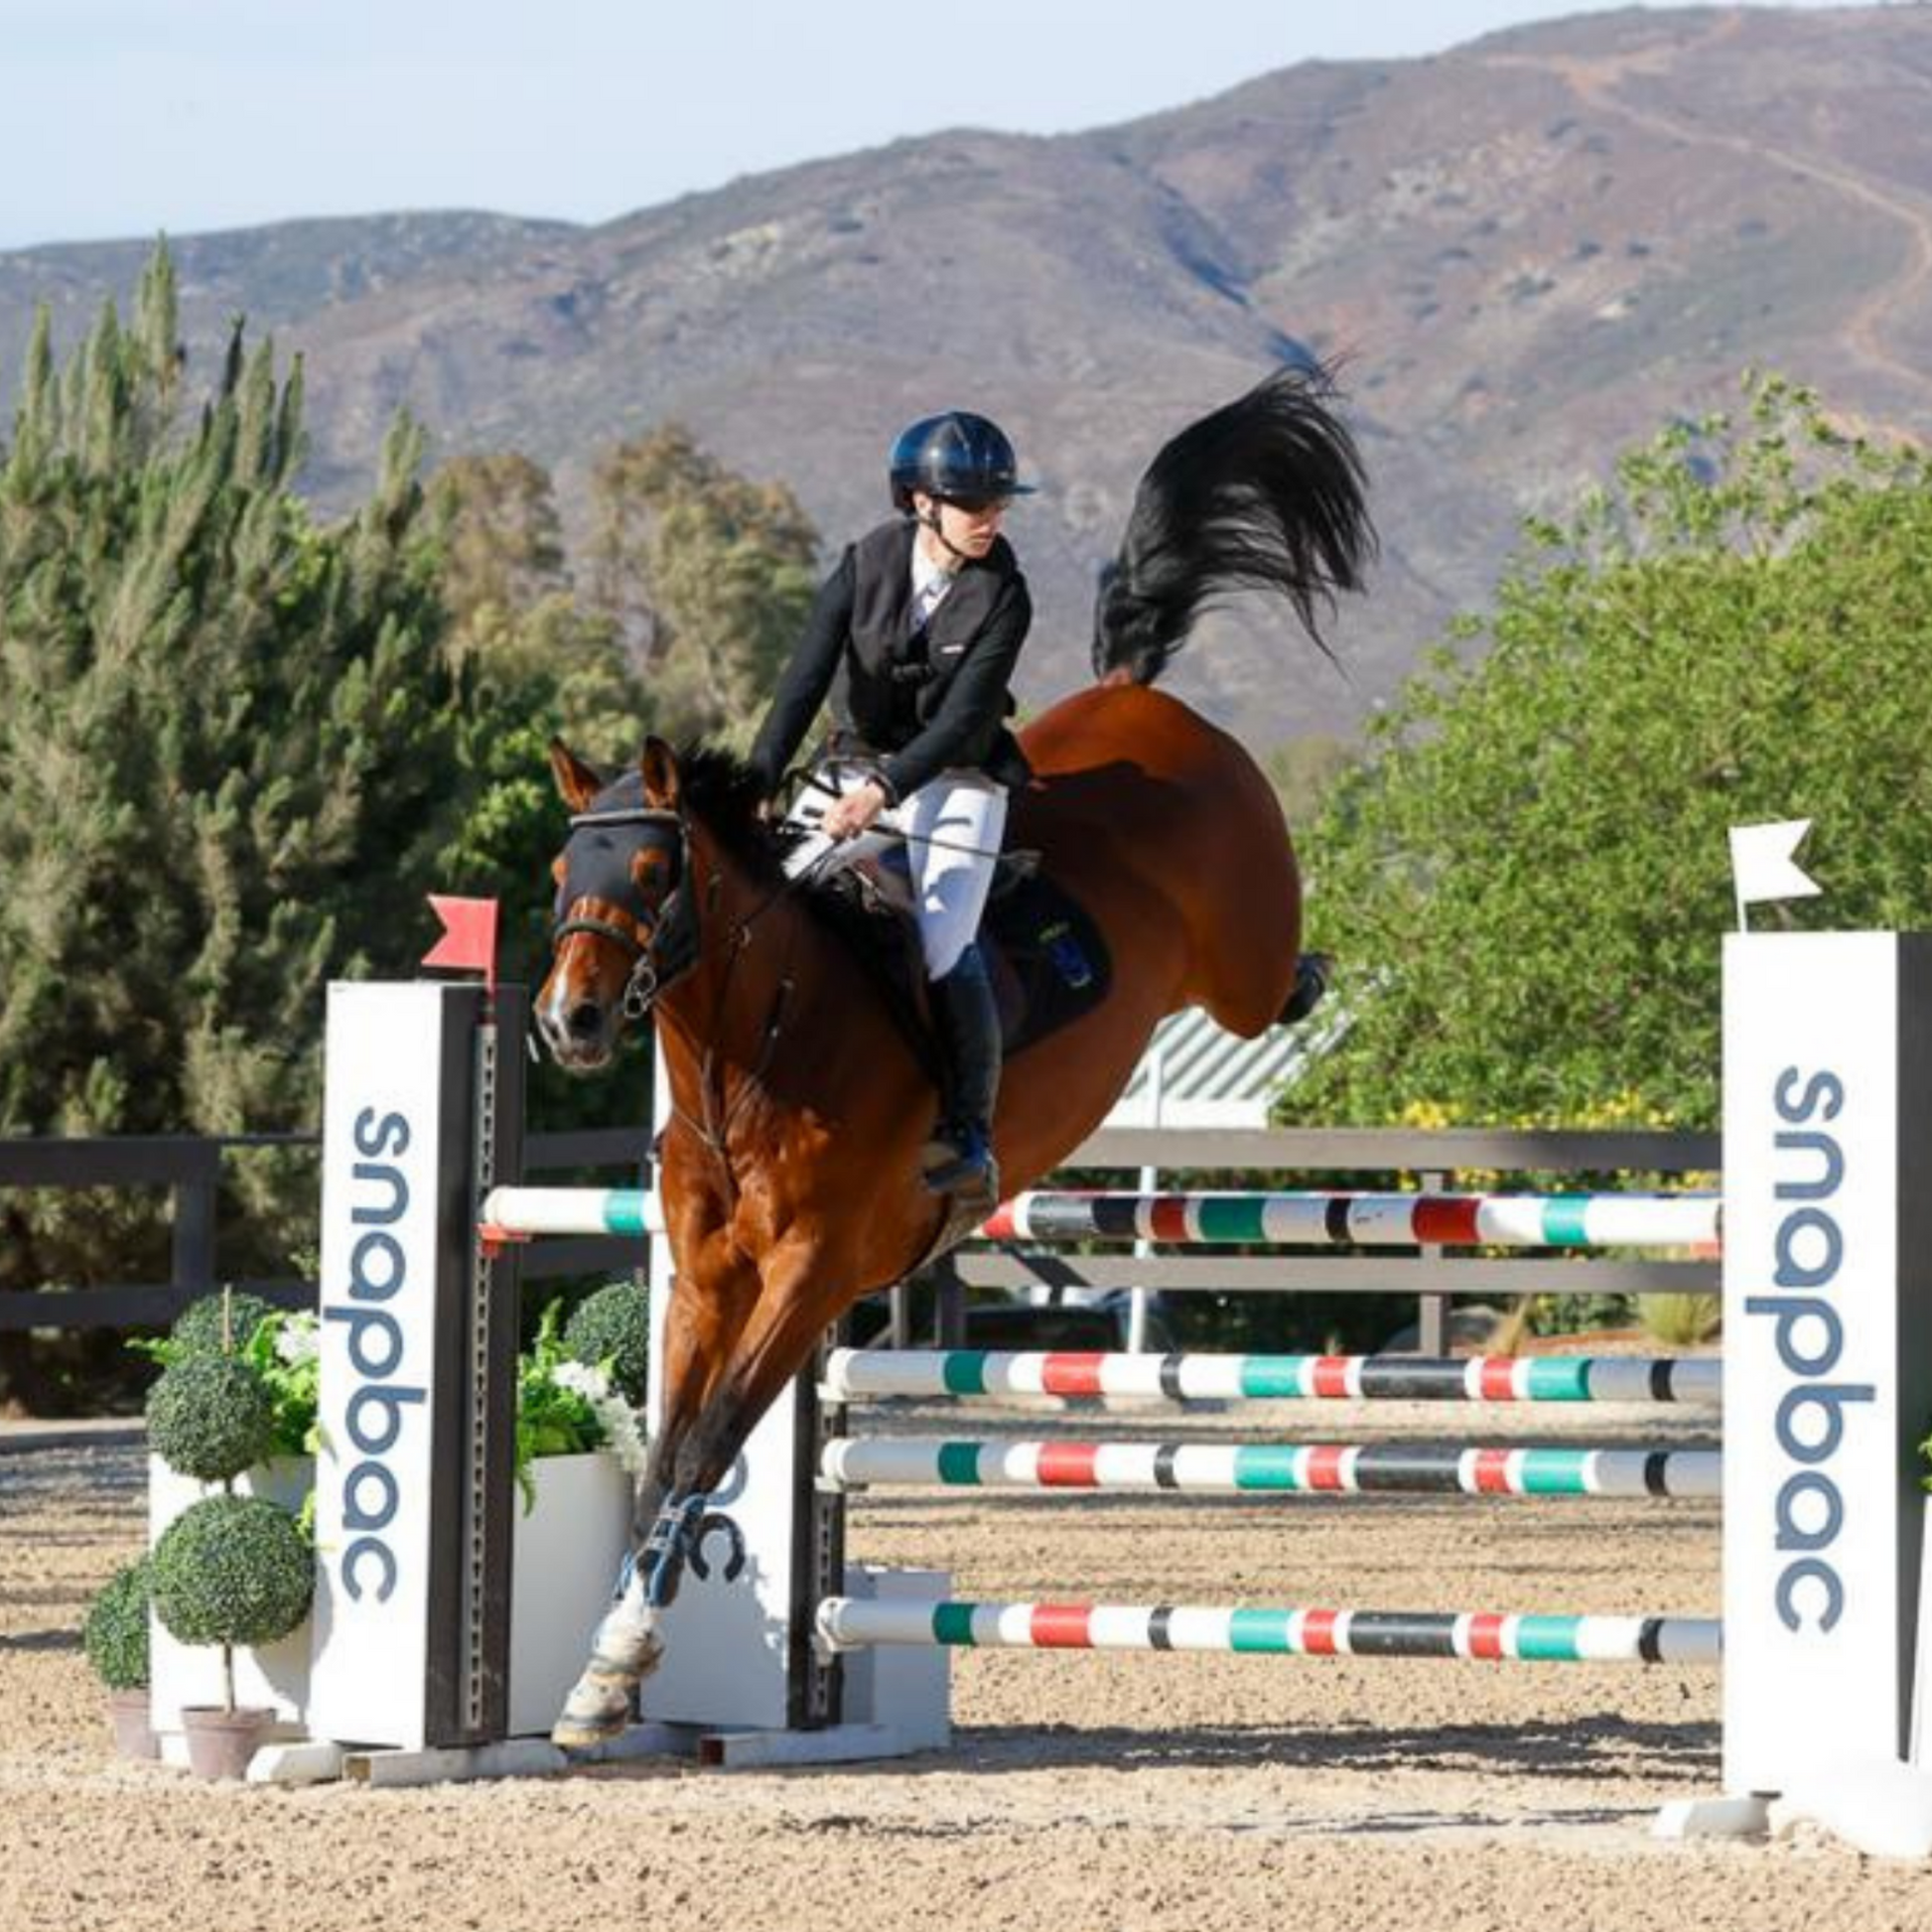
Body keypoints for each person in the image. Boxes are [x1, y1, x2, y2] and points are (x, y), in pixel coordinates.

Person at [748, 409, 1035, 1198]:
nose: (990, 518)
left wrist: (882, 792)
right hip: (856, 762)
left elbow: (962, 720)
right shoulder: (864, 564)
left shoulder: (1005, 594)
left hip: (960, 777)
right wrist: (758, 781)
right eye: (974, 504)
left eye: (998, 503)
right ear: (921, 501)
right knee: (771, 898)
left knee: (943, 940)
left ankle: (969, 1132)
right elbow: (804, 680)